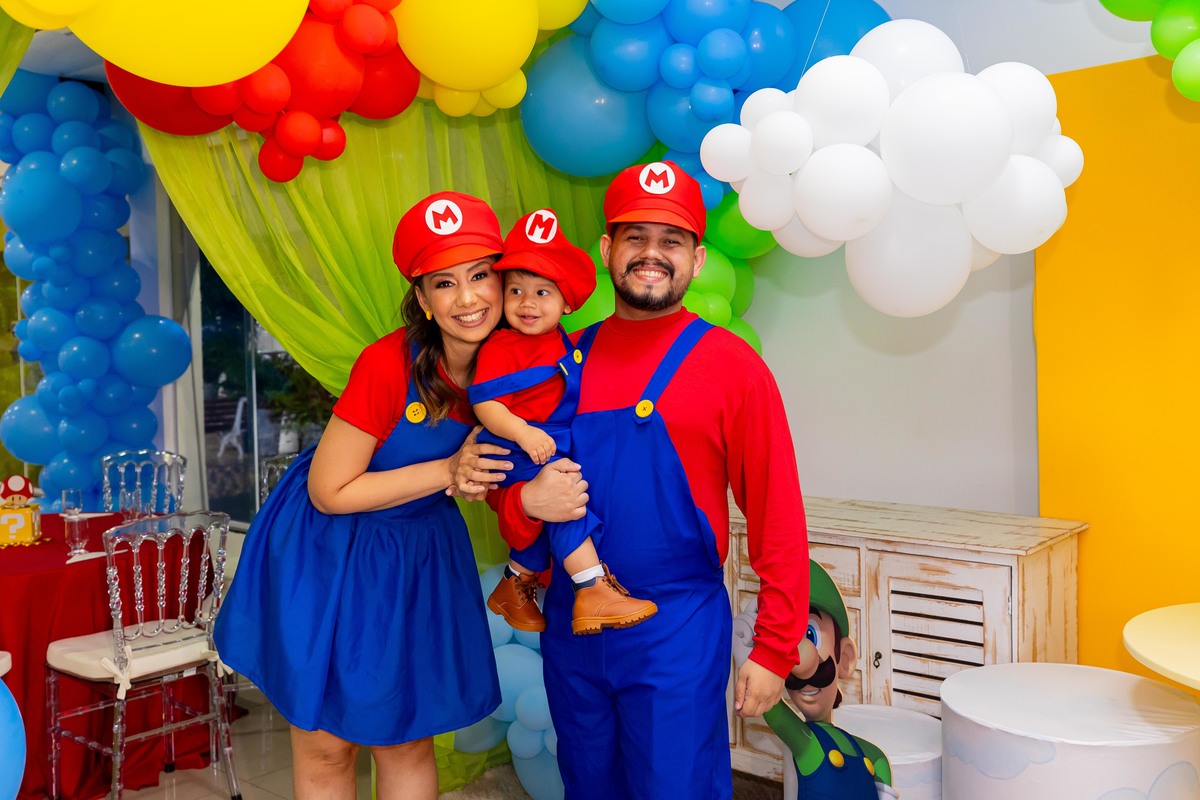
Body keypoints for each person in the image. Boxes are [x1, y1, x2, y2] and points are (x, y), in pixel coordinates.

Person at [479, 161, 811, 799]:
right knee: (587, 785)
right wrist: (523, 499)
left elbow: (777, 514)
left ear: (697, 259)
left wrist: (774, 647)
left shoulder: (733, 367)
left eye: (671, 240)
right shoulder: (559, 359)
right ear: (607, 250)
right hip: (574, 624)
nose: (651, 253)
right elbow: (506, 481)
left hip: (675, 628)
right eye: (635, 237)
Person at [214, 191, 511, 800]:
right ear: (422, 299)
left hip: (417, 548)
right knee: (327, 741)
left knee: (405, 738)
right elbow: (329, 491)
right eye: (444, 283)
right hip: (332, 548)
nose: (467, 298)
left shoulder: (519, 365)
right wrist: (450, 469)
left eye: (480, 275)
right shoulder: (386, 364)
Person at [471, 208, 657, 635]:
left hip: (547, 442)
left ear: (566, 302)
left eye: (542, 292)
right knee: (566, 503)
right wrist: (523, 432)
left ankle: (515, 583)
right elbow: (486, 405)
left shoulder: (562, 341)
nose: (527, 303)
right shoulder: (501, 345)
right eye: (515, 291)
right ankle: (591, 588)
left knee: (549, 514)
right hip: (516, 446)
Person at [763, 560, 895, 800]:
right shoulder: (807, 743)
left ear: (844, 658)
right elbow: (769, 705)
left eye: (810, 634)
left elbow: (879, 759)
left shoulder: (863, 751)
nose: (800, 662)